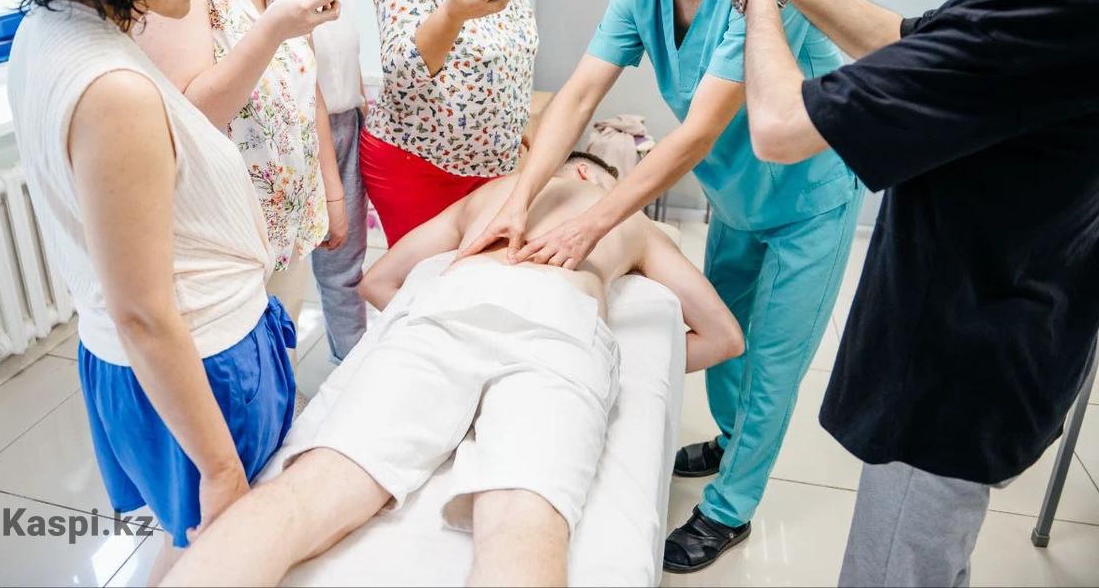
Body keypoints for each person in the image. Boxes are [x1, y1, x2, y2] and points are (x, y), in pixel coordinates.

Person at [686, 0, 1099, 585]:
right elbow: (908, 42)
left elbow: (778, 127)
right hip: (1001, 345)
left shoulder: (1053, 3)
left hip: (954, 378)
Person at [461, 0, 864, 571]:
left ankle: (731, 508)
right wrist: (520, 197)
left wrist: (590, 225)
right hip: (736, 200)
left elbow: (695, 135)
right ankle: (730, 438)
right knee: (726, 332)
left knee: (772, 361)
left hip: (808, 204)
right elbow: (580, 94)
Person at [159, 152, 743, 587]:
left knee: (307, 493)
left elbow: (378, 281)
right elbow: (724, 338)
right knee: (520, 526)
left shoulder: (494, 195)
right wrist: (625, 368)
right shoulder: (631, 221)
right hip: (560, 327)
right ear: (591, 174)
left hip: (448, 307)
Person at [7, 0, 297, 582]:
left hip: (145, 359)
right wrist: (221, 466)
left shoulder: (47, 30)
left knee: (189, 543)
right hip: (198, 366)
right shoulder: (115, 91)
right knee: (221, 549)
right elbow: (143, 310)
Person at [134, 0, 347, 320]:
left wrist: (332, 193)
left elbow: (308, 89)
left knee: (281, 348)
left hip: (290, 218)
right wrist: (272, 29)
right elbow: (192, 117)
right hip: (227, 232)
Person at [362, 0, 544, 246]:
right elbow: (402, 73)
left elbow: (513, 56)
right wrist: (451, 15)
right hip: (419, 164)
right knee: (423, 280)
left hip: (494, 167)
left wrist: (515, 122)